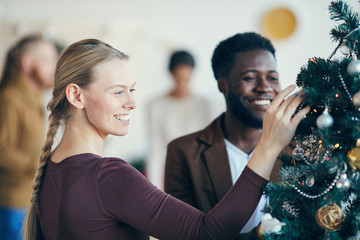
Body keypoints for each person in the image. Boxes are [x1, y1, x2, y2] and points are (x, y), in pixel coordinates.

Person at [23, 39, 309, 240]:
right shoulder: (108, 176)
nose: (132, 102)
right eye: (118, 92)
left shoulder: (53, 168)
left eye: (132, 89)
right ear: (76, 96)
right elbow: (207, 233)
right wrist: (269, 145)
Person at [164, 32, 292, 239]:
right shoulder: (183, 152)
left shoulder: (300, 147)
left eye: (272, 77)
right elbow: (185, 235)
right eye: (250, 77)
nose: (265, 87)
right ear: (222, 85)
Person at [0, 34, 58, 240]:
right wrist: (40, 165)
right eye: (48, 60)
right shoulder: (9, 98)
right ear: (26, 62)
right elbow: (2, 151)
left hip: (26, 201)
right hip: (11, 204)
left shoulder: (31, 96)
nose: (54, 67)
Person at [147, 50, 211, 189]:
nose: (182, 84)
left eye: (186, 79)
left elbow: (207, 146)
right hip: (168, 172)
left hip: (197, 173)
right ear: (171, 74)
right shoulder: (156, 105)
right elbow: (155, 148)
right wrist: (155, 187)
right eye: (178, 78)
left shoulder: (204, 105)